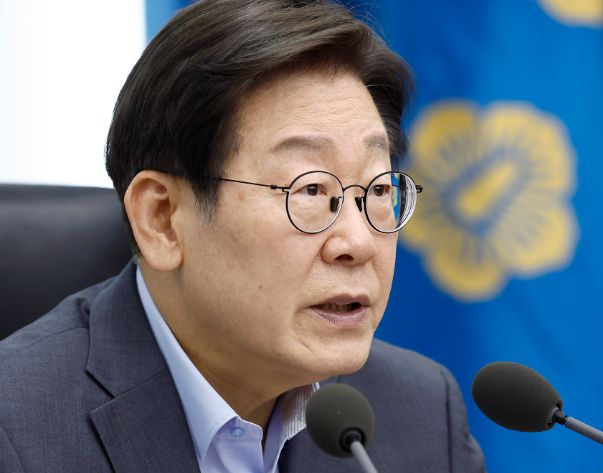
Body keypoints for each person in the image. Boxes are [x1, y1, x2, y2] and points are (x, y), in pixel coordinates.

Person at [0, 1, 486, 471]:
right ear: (162, 218)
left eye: (378, 189)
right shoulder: (15, 433)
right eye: (310, 190)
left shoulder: (420, 412)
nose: (358, 243)